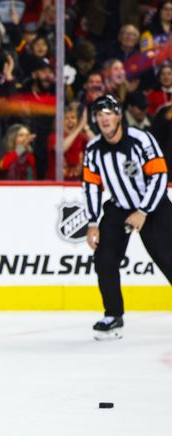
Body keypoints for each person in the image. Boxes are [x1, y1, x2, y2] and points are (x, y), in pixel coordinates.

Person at [82, 94, 172, 339]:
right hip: (119, 208)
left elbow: (160, 176)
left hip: (153, 207)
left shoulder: (141, 139)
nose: (104, 119)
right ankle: (113, 315)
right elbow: (90, 186)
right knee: (104, 258)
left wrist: (143, 211)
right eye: (99, 115)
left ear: (119, 116)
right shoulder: (93, 149)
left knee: (169, 259)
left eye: (108, 114)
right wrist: (92, 222)